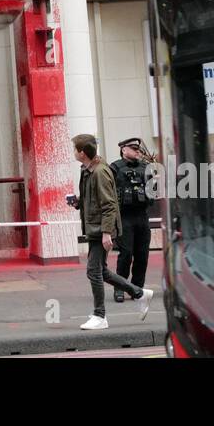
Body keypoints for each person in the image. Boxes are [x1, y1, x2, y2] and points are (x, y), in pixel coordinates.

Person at [69, 133, 152, 329]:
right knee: (102, 271)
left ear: (82, 152)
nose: (73, 152)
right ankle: (139, 293)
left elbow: (109, 204)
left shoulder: (100, 172)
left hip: (101, 229)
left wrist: (107, 233)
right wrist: (78, 203)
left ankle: (100, 316)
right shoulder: (88, 170)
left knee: (93, 272)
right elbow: (93, 199)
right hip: (95, 227)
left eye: (74, 149)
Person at [110, 137, 153, 303]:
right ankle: (120, 288)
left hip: (141, 215)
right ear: (123, 150)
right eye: (134, 149)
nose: (137, 152)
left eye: (138, 149)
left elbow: (153, 191)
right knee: (126, 254)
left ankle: (137, 288)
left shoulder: (146, 168)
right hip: (124, 216)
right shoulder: (114, 168)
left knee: (142, 255)